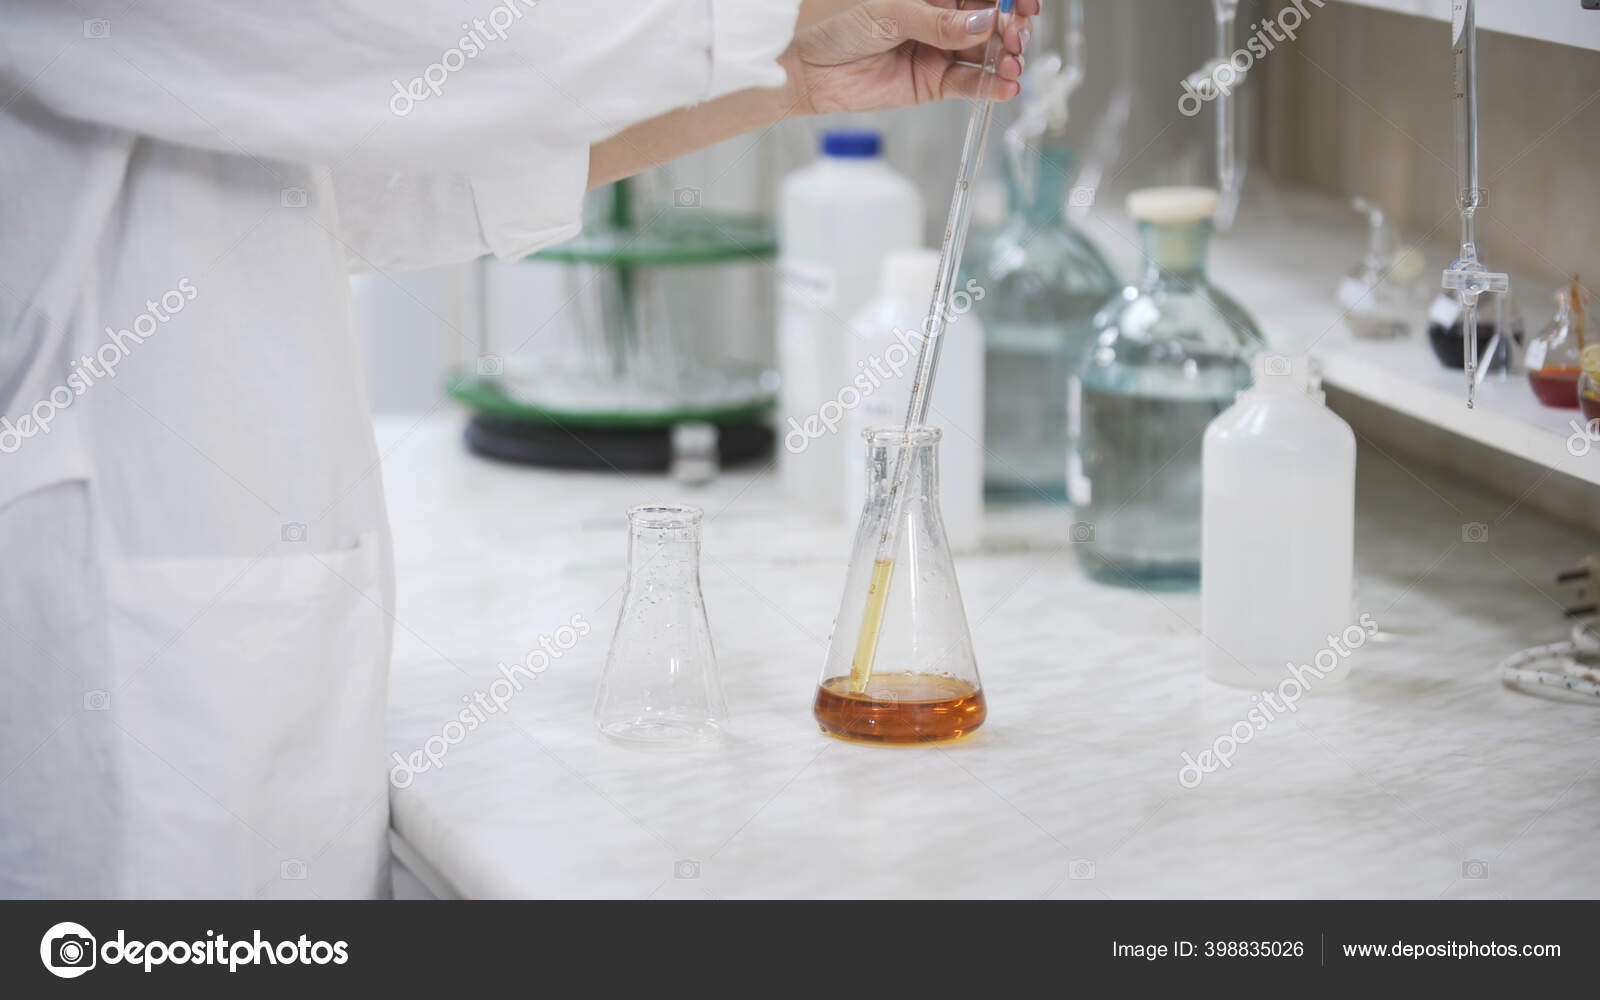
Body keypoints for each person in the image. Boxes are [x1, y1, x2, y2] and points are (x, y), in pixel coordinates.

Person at [0, 0, 1034, 898]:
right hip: (115, 687)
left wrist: (788, 76)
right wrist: (780, 16)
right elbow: (408, 39)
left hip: (224, 649)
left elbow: (376, 177)